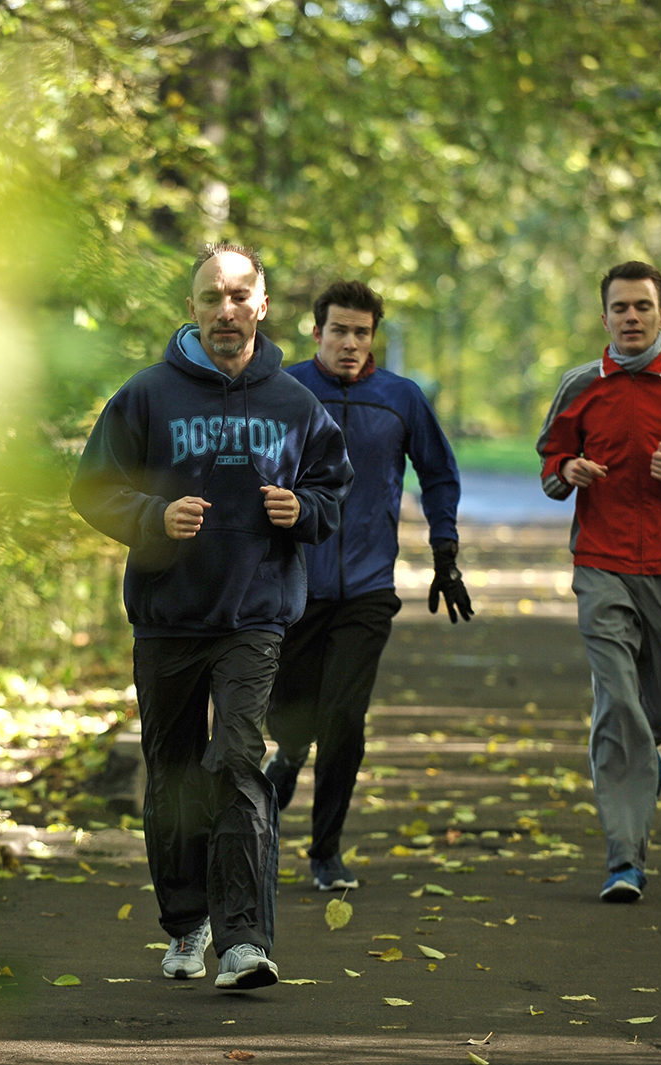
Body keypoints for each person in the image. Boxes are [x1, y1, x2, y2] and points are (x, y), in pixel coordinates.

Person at [70, 242, 353, 989]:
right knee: (171, 776)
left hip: (254, 617)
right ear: (192, 309)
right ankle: (186, 922)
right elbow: (92, 488)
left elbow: (334, 487)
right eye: (210, 298)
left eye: (238, 297)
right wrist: (154, 515)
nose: (225, 312)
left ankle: (244, 941)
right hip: (167, 618)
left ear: (262, 304)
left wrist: (305, 510)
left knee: (235, 762)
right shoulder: (147, 395)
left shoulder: (296, 402)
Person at [535, 260, 661, 903]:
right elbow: (548, 465)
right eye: (620, 308)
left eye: (641, 307)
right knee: (617, 702)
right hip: (602, 565)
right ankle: (624, 857)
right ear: (605, 319)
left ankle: (638, 759)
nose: (631, 318)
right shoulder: (580, 386)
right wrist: (569, 470)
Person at [263, 280, 472, 893]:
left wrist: (445, 550)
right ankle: (290, 753)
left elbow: (438, 474)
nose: (350, 344)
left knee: (345, 720)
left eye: (362, 332)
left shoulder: (399, 399)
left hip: (368, 587)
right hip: (293, 583)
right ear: (317, 332)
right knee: (290, 711)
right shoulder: (285, 391)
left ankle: (325, 850)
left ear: (372, 335)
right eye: (339, 331)